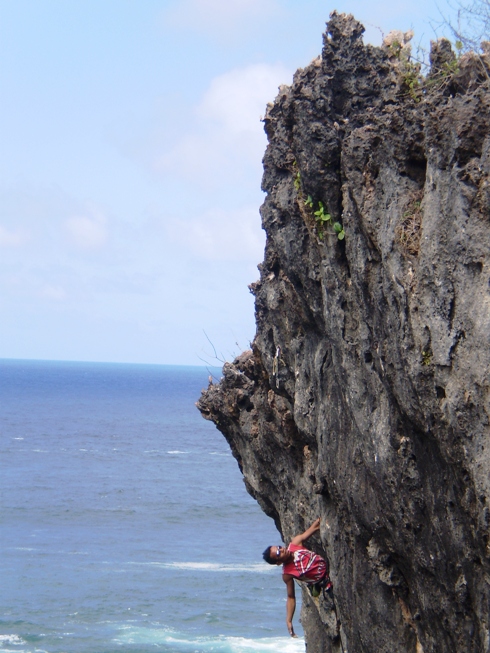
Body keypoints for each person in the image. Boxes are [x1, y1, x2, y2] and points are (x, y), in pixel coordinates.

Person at [262, 518, 331, 637]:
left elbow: (313, 529)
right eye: (279, 553)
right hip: (321, 579)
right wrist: (289, 620)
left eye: (279, 547)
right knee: (324, 588)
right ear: (278, 562)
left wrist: (321, 519)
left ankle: (315, 585)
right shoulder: (287, 574)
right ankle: (316, 585)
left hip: (324, 564)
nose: (282, 549)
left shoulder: (295, 543)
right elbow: (290, 597)